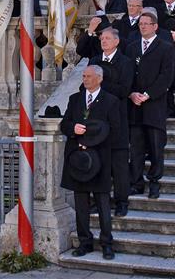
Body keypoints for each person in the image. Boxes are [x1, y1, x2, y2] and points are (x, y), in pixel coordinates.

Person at [60, 64, 121, 261]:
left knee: (103, 203)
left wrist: (91, 142)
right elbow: (64, 124)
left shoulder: (111, 101)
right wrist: (73, 129)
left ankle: (107, 244)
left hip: (100, 160)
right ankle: (84, 242)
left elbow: (115, 130)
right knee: (81, 203)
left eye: (88, 76)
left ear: (99, 79)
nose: (85, 79)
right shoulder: (74, 99)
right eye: (84, 76)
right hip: (78, 160)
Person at [126, 9, 175, 199]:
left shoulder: (165, 47)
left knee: (155, 147)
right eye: (140, 24)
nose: (143, 27)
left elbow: (166, 76)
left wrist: (147, 94)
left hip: (154, 105)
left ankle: (154, 182)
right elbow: (128, 73)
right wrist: (132, 93)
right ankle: (136, 182)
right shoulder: (131, 47)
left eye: (146, 24)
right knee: (136, 147)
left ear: (155, 26)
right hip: (135, 106)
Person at [87, 28, 134, 216]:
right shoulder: (95, 61)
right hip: (96, 120)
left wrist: (100, 83)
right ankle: (99, 200)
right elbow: (87, 86)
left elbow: (124, 90)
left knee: (119, 165)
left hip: (118, 119)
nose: (103, 41)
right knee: (98, 163)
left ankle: (122, 201)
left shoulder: (126, 62)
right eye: (101, 38)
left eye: (107, 38)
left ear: (116, 41)